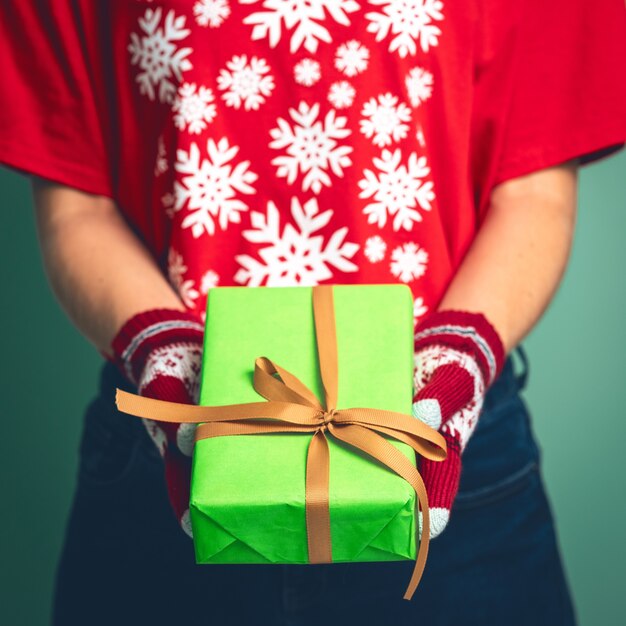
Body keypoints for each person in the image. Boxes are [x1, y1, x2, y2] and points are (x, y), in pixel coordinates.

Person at [1, 1, 624, 624]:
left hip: (441, 434)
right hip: (178, 431)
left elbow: (534, 188)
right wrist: (157, 346)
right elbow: (78, 204)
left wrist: (463, 349)